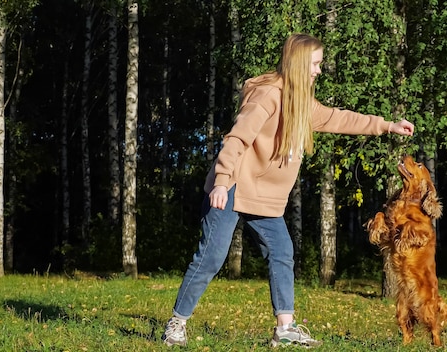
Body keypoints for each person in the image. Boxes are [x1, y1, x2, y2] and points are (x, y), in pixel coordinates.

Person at [161, 33, 414, 348]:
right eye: (315, 64)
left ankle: (285, 328)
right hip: (233, 187)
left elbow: (340, 118)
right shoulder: (267, 96)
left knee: (281, 251)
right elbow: (237, 138)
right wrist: (222, 181)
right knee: (212, 256)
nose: (319, 71)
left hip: (264, 198)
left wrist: (387, 125)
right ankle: (176, 324)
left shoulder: (303, 103)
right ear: (298, 63)